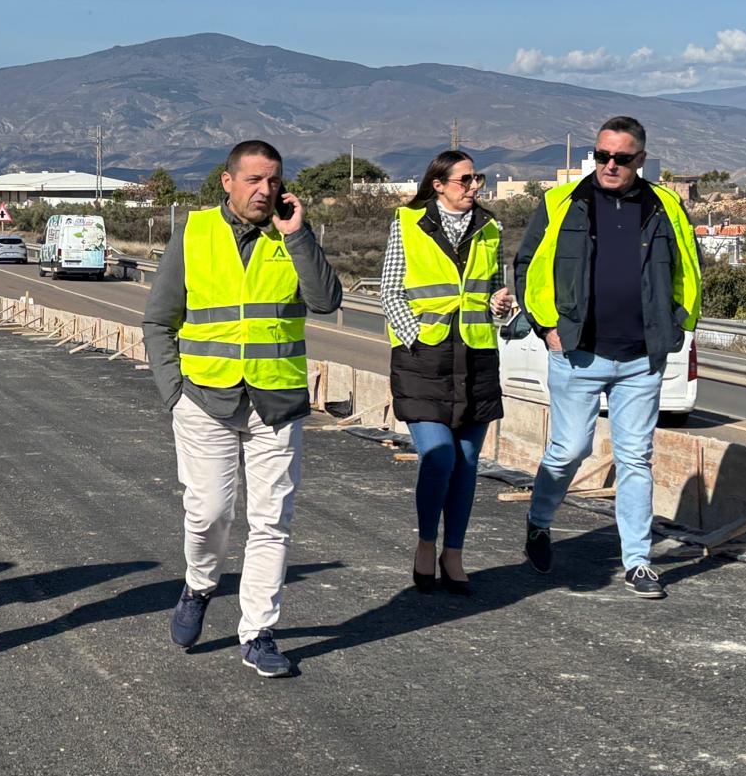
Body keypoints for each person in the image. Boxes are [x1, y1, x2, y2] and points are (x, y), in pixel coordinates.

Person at [142, 140, 343, 678]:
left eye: (273, 180)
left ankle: (258, 632)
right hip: (204, 399)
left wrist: (297, 234)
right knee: (209, 513)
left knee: (272, 520)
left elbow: (326, 302)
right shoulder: (195, 232)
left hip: (276, 402)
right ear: (227, 182)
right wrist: (173, 392)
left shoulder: (292, 234)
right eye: (253, 179)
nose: (265, 190)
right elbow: (159, 320)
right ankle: (199, 585)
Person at [514, 116, 702, 599]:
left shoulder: (665, 206)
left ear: (641, 159)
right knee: (570, 449)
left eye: (621, 157)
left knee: (636, 458)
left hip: (640, 358)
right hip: (577, 353)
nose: (610, 165)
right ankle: (539, 521)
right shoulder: (561, 202)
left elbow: (688, 268)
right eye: (602, 155)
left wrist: (675, 324)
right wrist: (547, 327)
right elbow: (527, 266)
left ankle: (638, 562)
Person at [381, 151, 516, 596]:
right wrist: (415, 337)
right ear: (438, 184)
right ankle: (426, 543)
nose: (474, 186)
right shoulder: (407, 223)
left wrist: (499, 305)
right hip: (425, 361)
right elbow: (391, 290)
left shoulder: (491, 227)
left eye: (477, 178)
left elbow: (492, 292)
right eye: (465, 179)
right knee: (439, 456)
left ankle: (453, 553)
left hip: (476, 359)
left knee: (468, 462)